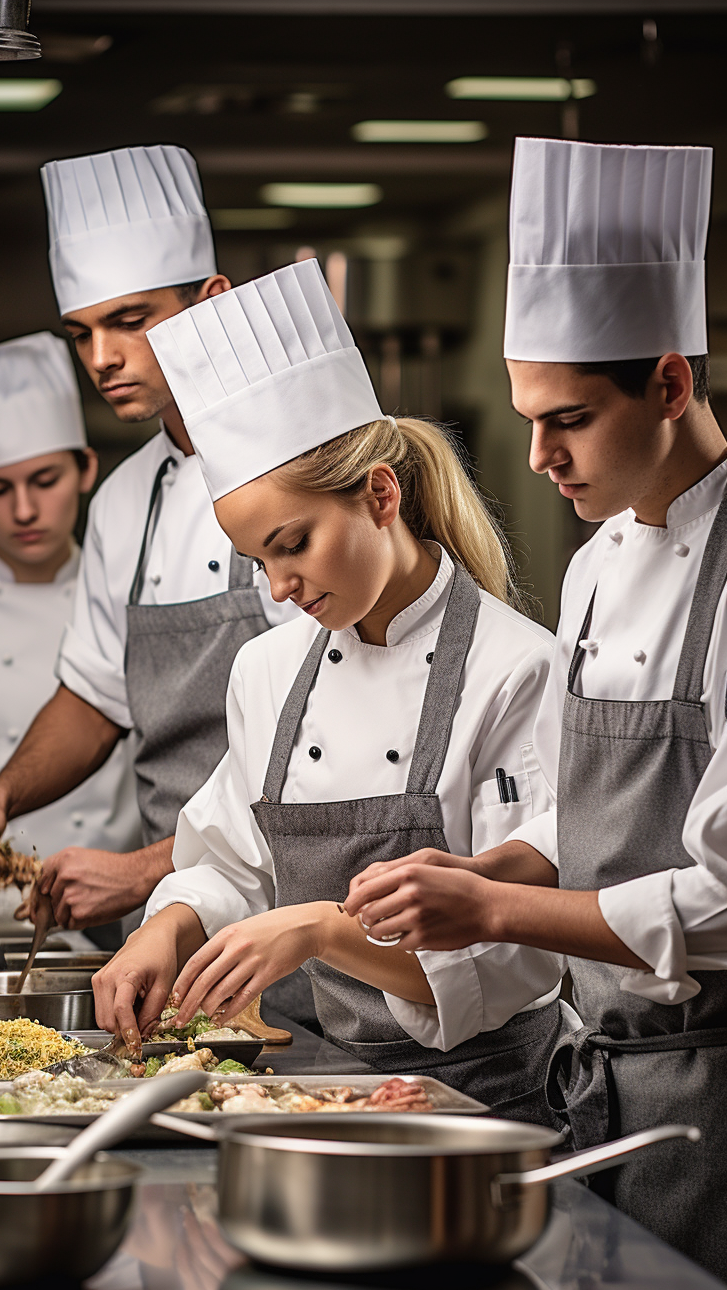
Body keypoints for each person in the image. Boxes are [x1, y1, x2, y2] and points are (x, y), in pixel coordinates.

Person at [343, 138, 727, 1279]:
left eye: (566, 418)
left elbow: (718, 902)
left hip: (708, 1090)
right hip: (595, 1078)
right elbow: (603, 817)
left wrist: (496, 915)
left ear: (669, 382)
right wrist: (490, 870)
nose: (535, 454)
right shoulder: (601, 562)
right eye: (525, 415)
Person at [91, 257, 572, 1117]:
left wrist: (319, 929)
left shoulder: (516, 669)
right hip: (341, 1095)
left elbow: (514, 955)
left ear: (381, 495)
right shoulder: (269, 671)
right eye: (257, 561)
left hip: (491, 1112)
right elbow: (230, 859)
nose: (278, 588)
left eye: (293, 543)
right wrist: (169, 925)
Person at [0, 145, 297, 945]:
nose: (102, 358)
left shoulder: (304, 480)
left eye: (131, 322)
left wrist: (145, 870)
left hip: (309, 916)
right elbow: (97, 698)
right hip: (180, 930)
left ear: (212, 300)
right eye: (81, 333)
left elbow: (334, 744)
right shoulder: (128, 498)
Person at [0, 331, 140, 904]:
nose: (24, 510)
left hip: (105, 918)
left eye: (45, 480)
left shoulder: (133, 593)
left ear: (86, 469)